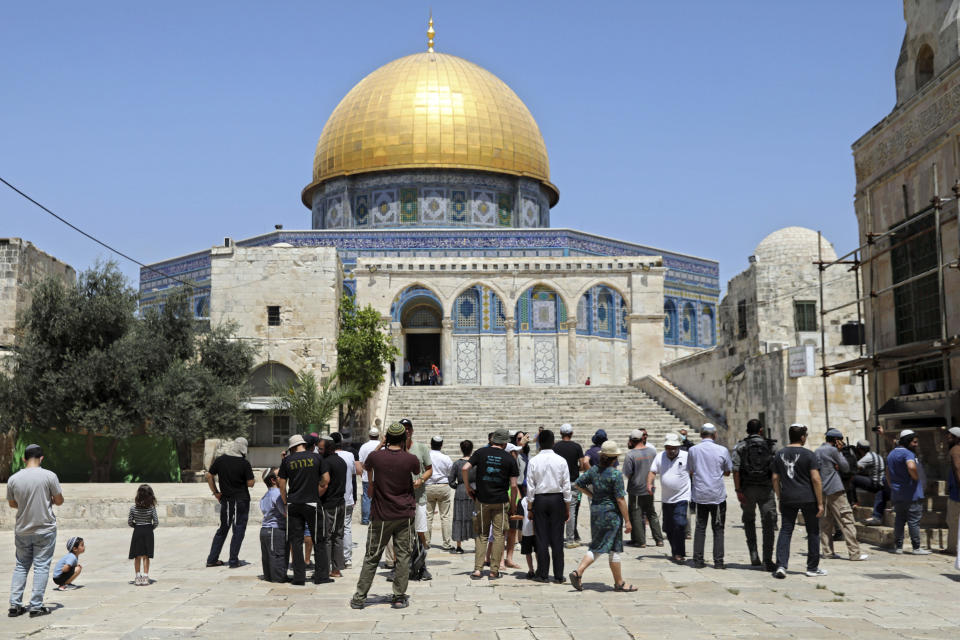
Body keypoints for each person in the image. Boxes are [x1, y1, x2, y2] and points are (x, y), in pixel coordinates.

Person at [350, 422, 420, 610]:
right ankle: (398, 596)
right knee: (403, 556)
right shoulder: (411, 459)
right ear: (404, 438)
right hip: (404, 514)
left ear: (387, 438)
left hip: (381, 514)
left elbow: (366, 466)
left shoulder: (376, 456)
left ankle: (359, 597)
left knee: (372, 556)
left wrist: (382, 444)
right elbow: (416, 472)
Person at [569, 440, 635, 592]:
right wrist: (627, 520)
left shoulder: (593, 471)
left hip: (596, 511)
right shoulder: (615, 474)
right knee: (613, 547)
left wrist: (591, 495)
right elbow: (620, 499)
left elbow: (578, 484)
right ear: (614, 458)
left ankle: (617, 581)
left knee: (599, 544)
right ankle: (580, 572)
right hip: (611, 514)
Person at [7, 443, 64, 618]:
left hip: (23, 529)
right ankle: (36, 606)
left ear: (24, 459)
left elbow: (12, 503)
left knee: (21, 565)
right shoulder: (49, 476)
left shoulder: (14, 479)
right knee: (41, 566)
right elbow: (59, 500)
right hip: (45, 529)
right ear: (41, 458)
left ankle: (15, 605)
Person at [463, 428, 519, 580]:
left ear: (492, 439)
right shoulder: (509, 459)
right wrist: (513, 504)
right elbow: (514, 486)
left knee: (481, 534)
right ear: (505, 442)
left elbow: (465, 467)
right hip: (500, 501)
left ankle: (477, 570)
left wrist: (468, 488)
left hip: (482, 500)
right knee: (499, 534)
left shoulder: (481, 453)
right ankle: (494, 570)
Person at [772, 424, 825, 578]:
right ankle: (812, 568)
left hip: (788, 497)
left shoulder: (779, 454)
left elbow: (775, 478)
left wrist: (779, 497)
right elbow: (816, 479)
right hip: (808, 497)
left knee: (786, 530)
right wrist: (820, 503)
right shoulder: (809, 455)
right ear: (802, 437)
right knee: (813, 531)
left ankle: (781, 565)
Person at [278, 434, 330, 585]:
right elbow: (326, 479)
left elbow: (282, 483)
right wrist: (316, 491)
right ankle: (321, 577)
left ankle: (299, 577)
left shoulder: (287, 460)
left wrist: (285, 500)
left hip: (294, 503)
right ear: (303, 444)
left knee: (296, 540)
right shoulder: (317, 458)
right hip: (312, 503)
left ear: (293, 447)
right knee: (318, 539)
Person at [731, 419, 778, 571]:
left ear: (747, 431)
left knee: (749, 521)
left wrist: (738, 490)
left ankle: (753, 554)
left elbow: (736, 470)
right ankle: (768, 559)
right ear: (761, 431)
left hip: (747, 489)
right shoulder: (770, 446)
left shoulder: (741, 446)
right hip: (766, 489)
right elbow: (776, 470)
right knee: (768, 523)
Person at [525, 429, 571, 583]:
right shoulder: (561, 460)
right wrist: (567, 507)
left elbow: (530, 487)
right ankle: (558, 575)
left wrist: (530, 508)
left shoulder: (534, 461)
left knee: (541, 538)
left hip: (540, 500)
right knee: (557, 539)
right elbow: (566, 486)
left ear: (539, 443)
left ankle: (543, 574)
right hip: (557, 499)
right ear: (553, 442)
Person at [687, 423, 732, 569]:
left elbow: (691, 470)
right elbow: (727, 471)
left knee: (700, 527)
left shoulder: (693, 450)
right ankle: (718, 562)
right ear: (715, 435)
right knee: (718, 528)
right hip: (717, 494)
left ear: (701, 434)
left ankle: (698, 560)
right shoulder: (722, 450)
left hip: (700, 494)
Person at [205, 439, 254, 568]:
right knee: (238, 529)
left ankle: (212, 559)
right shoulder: (244, 463)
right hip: (241, 500)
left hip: (225, 500)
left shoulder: (221, 460)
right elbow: (251, 483)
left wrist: (215, 492)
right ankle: (233, 560)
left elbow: (209, 475)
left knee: (223, 529)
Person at [887, 429, 932, 555]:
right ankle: (916, 547)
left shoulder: (891, 454)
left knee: (899, 520)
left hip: (897, 494)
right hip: (911, 493)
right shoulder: (908, 454)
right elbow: (911, 467)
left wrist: (892, 485)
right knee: (913, 521)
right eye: (914, 442)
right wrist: (916, 478)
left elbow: (887, 472)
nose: (916, 445)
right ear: (908, 441)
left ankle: (899, 547)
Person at [648, 433, 690, 563]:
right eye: (668, 447)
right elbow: (652, 471)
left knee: (679, 523)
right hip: (666, 498)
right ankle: (675, 551)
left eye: (674, 447)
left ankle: (679, 553)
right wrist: (649, 484)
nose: (671, 450)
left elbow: (694, 472)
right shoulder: (660, 456)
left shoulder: (687, 456)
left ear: (678, 447)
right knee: (668, 527)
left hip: (682, 496)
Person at [399, 418, 433, 579]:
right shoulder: (394, 449)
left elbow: (429, 469)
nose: (406, 431)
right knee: (401, 534)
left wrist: (421, 480)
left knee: (420, 531)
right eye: (403, 428)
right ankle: (401, 567)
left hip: (418, 497)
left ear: (412, 431)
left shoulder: (421, 448)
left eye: (408, 428)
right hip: (399, 498)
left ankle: (421, 565)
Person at [622, 428, 663, 548]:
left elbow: (628, 473)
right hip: (650, 487)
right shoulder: (652, 452)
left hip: (636, 489)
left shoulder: (630, 455)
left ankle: (640, 541)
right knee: (651, 513)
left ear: (632, 440)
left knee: (636, 513)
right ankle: (659, 539)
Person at [554, 424, 588, 548]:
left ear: (560, 433)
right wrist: (577, 469)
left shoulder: (555, 447)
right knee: (571, 510)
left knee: (557, 510)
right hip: (573, 481)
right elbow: (583, 464)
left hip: (558, 482)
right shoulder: (577, 447)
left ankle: (556, 538)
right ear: (571, 433)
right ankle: (569, 540)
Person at [318, 435, 347, 580]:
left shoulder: (326, 463)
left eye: (321, 449)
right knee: (338, 535)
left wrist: (316, 495)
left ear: (328, 448)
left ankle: (331, 568)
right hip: (341, 503)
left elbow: (325, 483)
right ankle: (337, 567)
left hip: (330, 505)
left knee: (328, 537)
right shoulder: (341, 461)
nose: (319, 451)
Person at [333, 432, 361, 568]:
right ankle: (347, 558)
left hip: (333, 499)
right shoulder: (350, 455)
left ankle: (334, 557)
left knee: (333, 529)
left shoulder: (328, 457)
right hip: (348, 497)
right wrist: (354, 496)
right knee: (347, 528)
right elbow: (355, 475)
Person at [259, 467, 287, 582]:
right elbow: (285, 513)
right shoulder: (277, 495)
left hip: (266, 530)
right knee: (277, 556)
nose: (283, 478)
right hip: (274, 530)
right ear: (273, 480)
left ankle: (272, 577)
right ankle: (278, 578)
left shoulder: (266, 495)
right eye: (280, 476)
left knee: (268, 557)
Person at [425, 436, 453, 550]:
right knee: (445, 516)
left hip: (428, 486)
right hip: (443, 486)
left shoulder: (426, 456)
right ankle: (446, 543)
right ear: (441, 445)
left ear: (430, 444)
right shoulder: (446, 458)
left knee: (428, 516)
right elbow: (450, 472)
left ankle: (426, 542)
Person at [852, 439, 888, 526]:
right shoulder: (875, 455)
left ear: (860, 449)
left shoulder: (867, 457)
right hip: (881, 484)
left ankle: (854, 502)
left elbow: (854, 469)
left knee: (852, 478)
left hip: (875, 485)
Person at [128, 484, 159, 586]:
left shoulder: (133, 508)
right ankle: (145, 577)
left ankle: (137, 577)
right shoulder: (151, 508)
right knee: (146, 556)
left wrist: (136, 526)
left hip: (137, 530)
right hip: (148, 531)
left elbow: (129, 522)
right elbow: (156, 522)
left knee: (137, 556)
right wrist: (150, 528)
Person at [448, 440, 475, 554]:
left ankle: (459, 546)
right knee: (474, 517)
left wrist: (458, 487)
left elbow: (450, 480)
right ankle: (477, 544)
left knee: (459, 517)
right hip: (473, 491)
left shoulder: (457, 463)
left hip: (460, 491)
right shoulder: (475, 463)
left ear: (461, 449)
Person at [358, 426, 380, 525]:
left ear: (369, 435)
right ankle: (377, 518)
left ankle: (366, 519)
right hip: (380, 477)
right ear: (378, 435)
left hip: (367, 477)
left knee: (367, 497)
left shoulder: (364, 446)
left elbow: (361, 462)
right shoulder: (382, 446)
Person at [946, 427, 960, 556]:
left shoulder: (955, 450)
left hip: (957, 493)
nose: (947, 438)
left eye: (950, 436)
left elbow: (957, 468)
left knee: (953, 520)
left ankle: (952, 548)